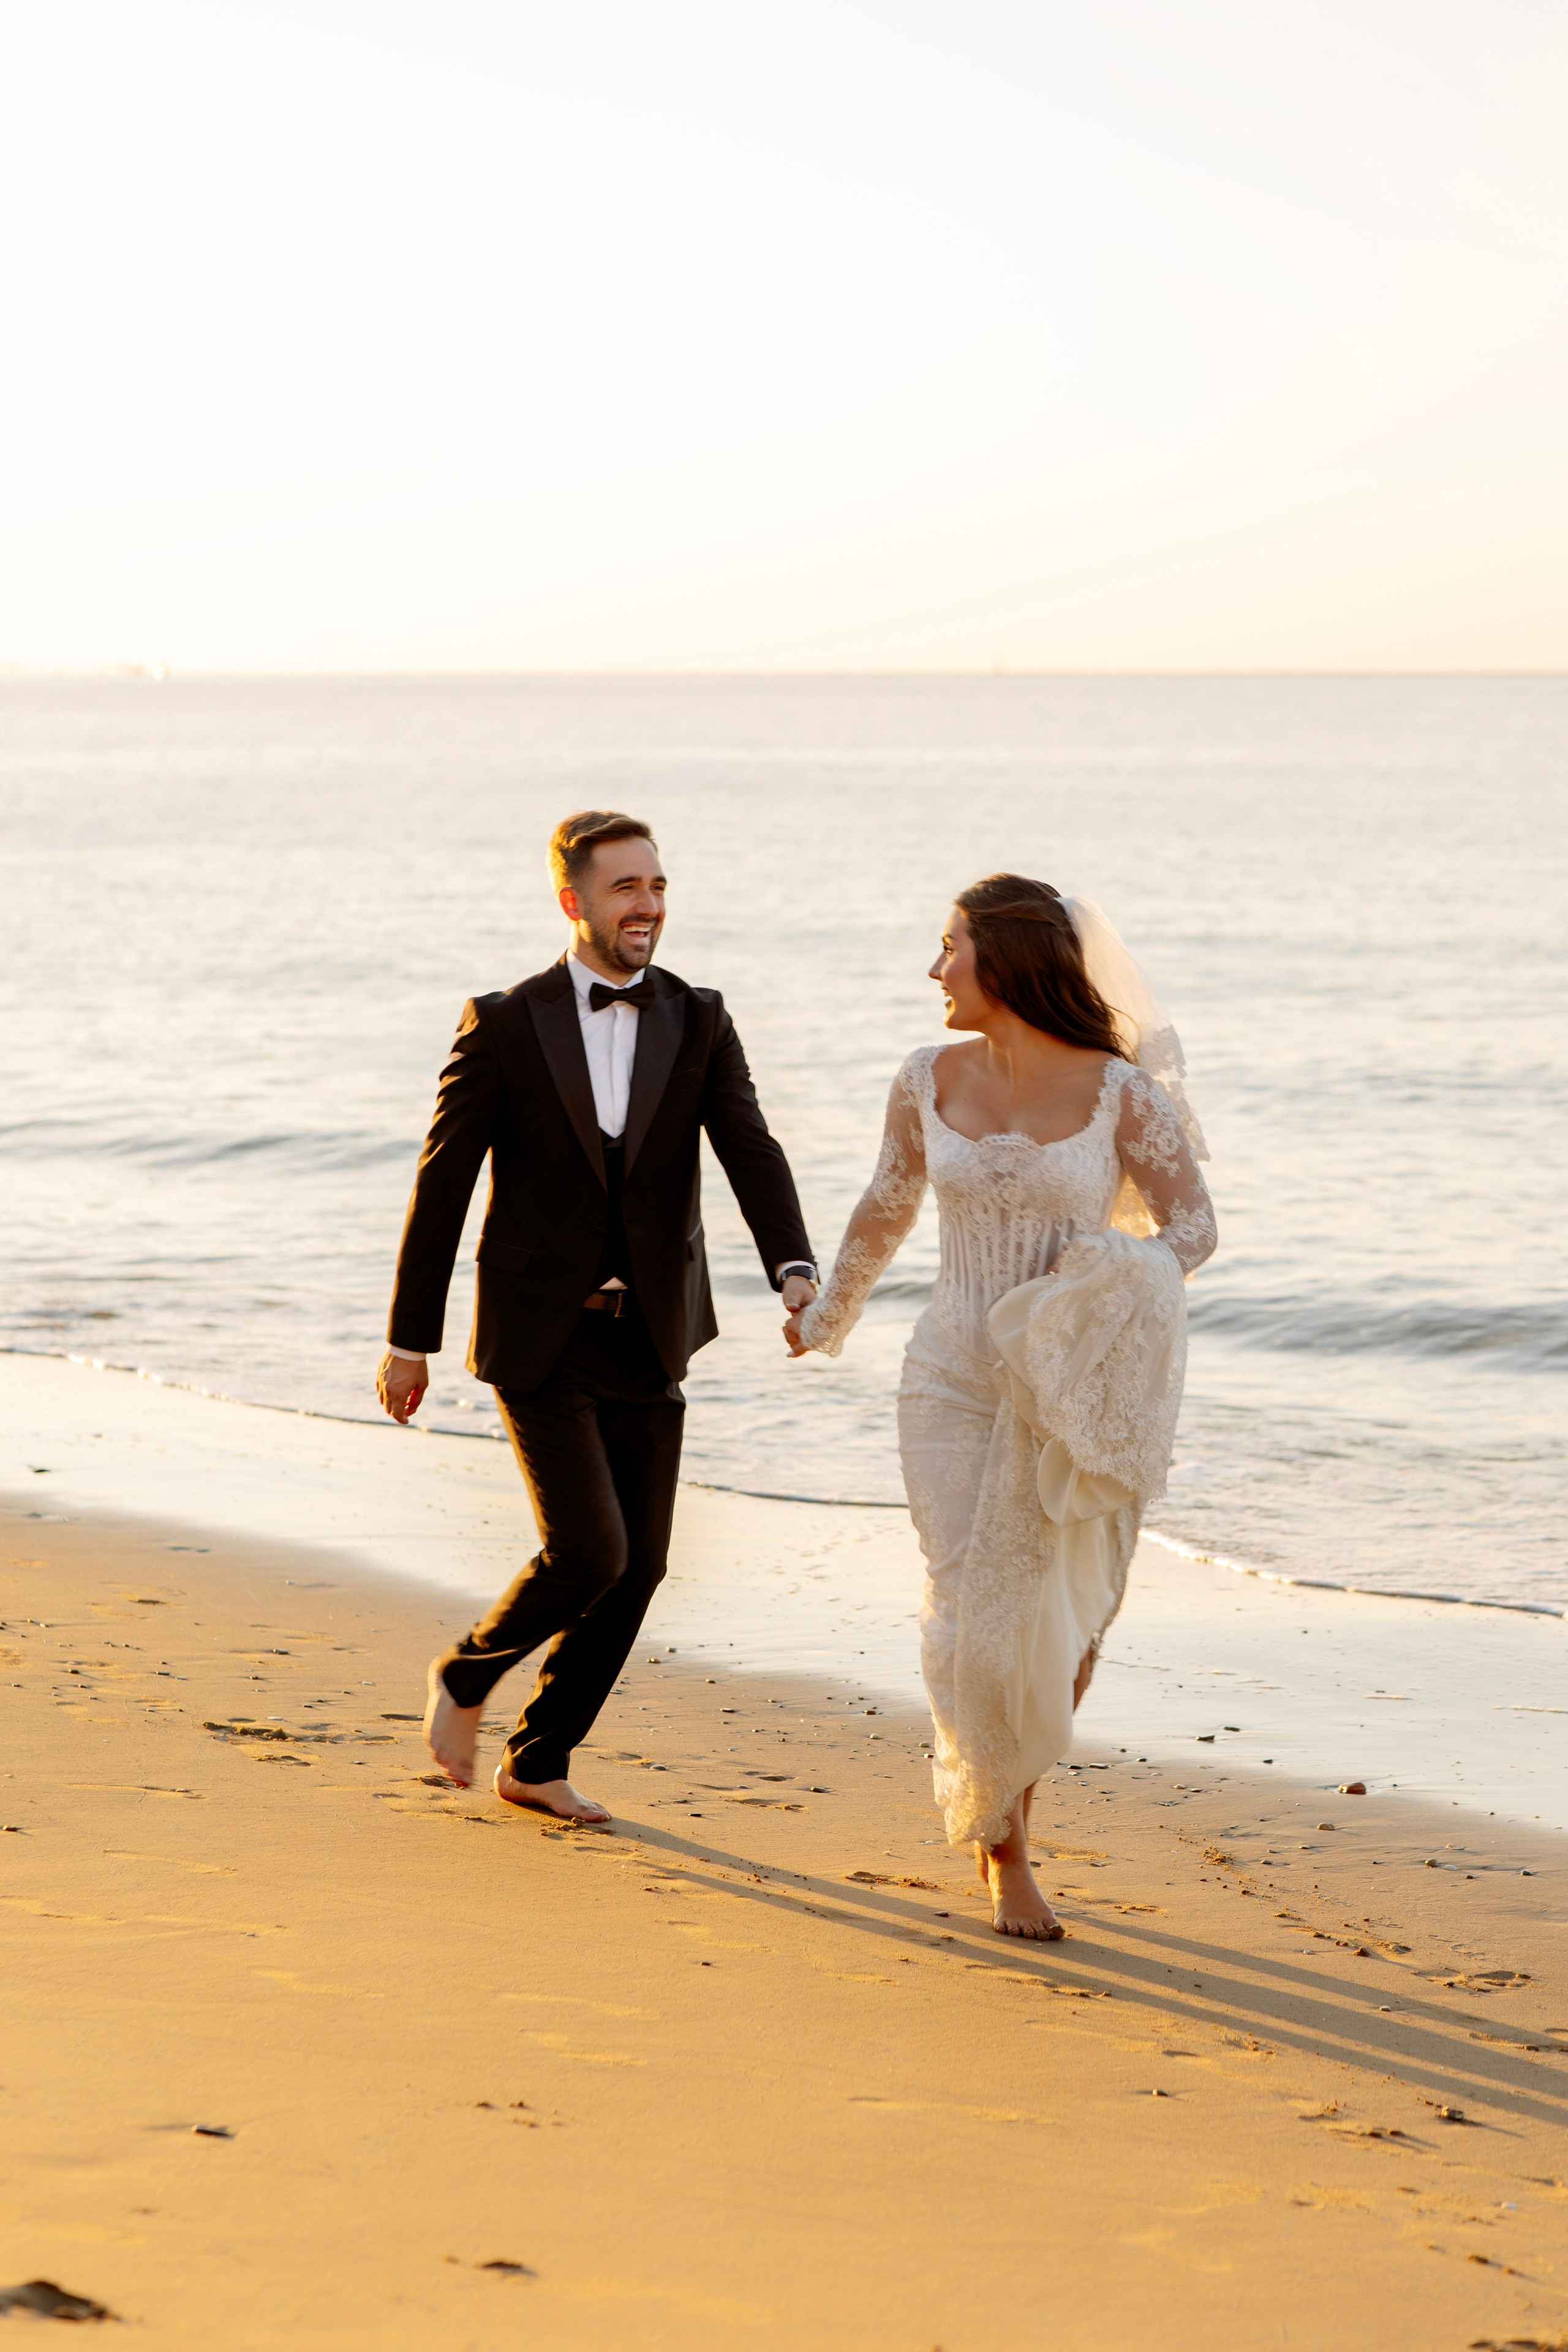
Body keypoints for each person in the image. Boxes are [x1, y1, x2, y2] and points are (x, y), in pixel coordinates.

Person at [785, 875, 1216, 1937]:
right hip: (948, 1375)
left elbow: (1193, 1230)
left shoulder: (1122, 1094)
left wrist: (1111, 1269)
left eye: (950, 948)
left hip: (1069, 1390)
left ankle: (1014, 1800)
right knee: (966, 1608)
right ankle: (1003, 1847)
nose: (934, 970)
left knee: (1061, 1621)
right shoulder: (926, 1076)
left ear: (1009, 961)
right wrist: (827, 1313)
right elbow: (887, 1202)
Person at [377, 811, 818, 1823]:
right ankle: (467, 1673)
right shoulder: (505, 1021)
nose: (648, 906)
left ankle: (537, 1761)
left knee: (641, 1565)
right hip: (541, 1329)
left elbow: (750, 1148)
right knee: (590, 1552)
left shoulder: (699, 1018)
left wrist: (794, 1270)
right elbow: (443, 1184)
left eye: (657, 886)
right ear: (572, 900)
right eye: (626, 888)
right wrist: (410, 1341)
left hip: (651, 1330)